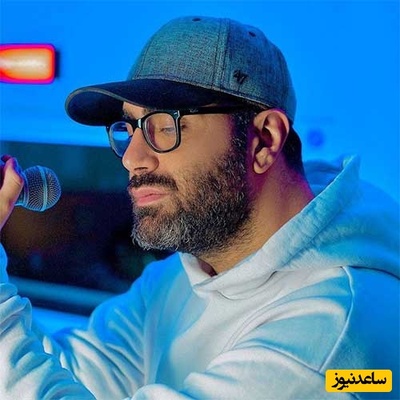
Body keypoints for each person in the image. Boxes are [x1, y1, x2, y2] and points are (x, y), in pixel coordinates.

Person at [0, 15, 399, 400]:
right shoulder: (182, 277)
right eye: (129, 128)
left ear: (264, 140)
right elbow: (68, 376)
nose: (132, 158)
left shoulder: (328, 336)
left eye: (164, 125)